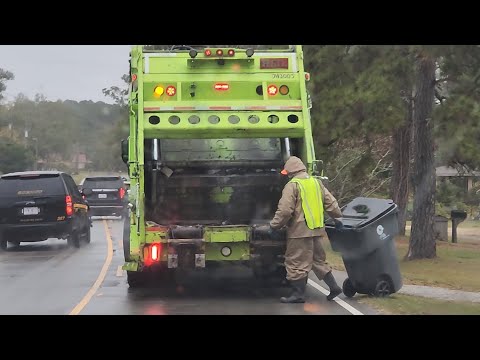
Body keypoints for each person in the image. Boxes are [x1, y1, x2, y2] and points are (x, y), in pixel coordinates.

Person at [268, 156, 345, 303]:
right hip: (316, 230)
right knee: (318, 260)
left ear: (291, 171)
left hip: (299, 232)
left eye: (287, 173)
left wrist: (274, 225)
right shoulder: (316, 183)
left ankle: (298, 295)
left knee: (295, 262)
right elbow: (331, 203)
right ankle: (334, 287)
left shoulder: (293, 185)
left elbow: (285, 211)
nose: (287, 175)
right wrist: (337, 218)